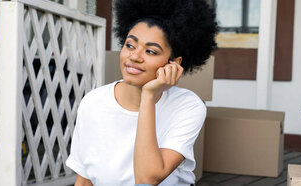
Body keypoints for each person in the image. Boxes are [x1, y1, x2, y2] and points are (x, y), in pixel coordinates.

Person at [65, 0, 218, 185]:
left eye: (151, 51)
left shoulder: (188, 106)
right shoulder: (93, 102)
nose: (135, 57)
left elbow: (147, 179)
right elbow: (83, 180)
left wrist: (148, 96)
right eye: (130, 45)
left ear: (174, 63)